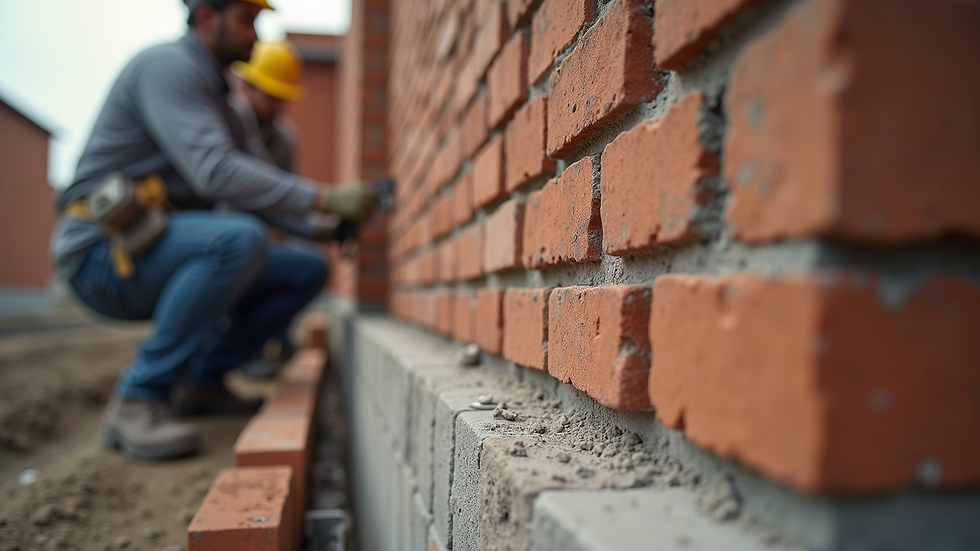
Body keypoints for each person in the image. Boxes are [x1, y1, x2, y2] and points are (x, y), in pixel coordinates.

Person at [49, 0, 378, 461]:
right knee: (237, 239)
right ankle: (139, 396)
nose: (255, 37)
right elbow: (214, 172)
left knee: (304, 268)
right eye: (247, 20)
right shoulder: (168, 67)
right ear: (207, 17)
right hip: (102, 254)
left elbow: (252, 191)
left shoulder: (222, 99)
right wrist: (324, 196)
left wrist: (322, 228)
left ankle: (203, 381)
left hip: (152, 244)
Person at [227, 40, 311, 378]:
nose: (278, 106)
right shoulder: (228, 123)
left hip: (265, 232)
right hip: (230, 229)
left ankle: (273, 337)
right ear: (247, 86)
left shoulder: (285, 139)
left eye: (283, 98)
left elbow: (287, 201)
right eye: (271, 96)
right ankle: (235, 350)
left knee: (302, 260)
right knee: (245, 245)